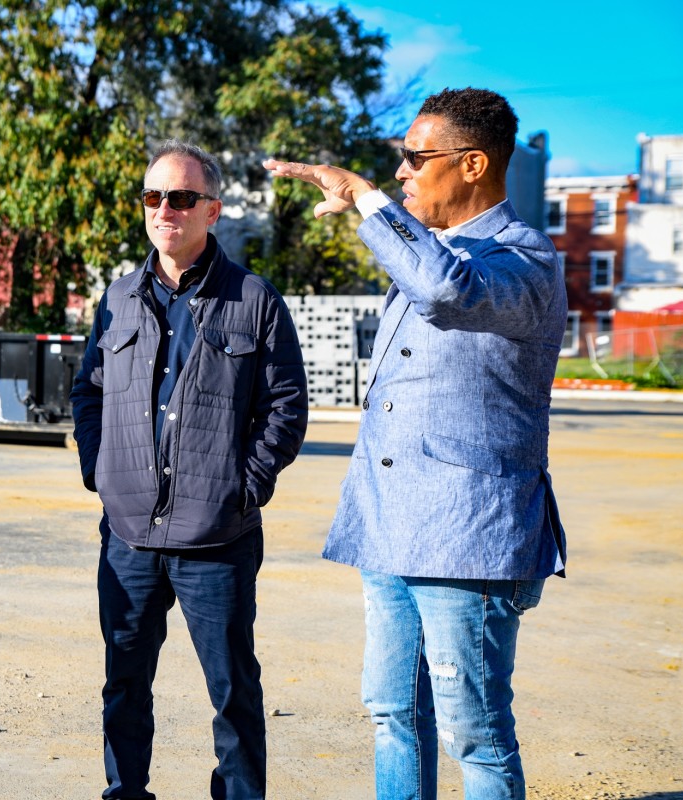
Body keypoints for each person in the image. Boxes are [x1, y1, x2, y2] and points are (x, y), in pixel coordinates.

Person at [265, 87, 567, 800]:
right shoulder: (435, 251)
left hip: (467, 536)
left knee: (475, 732)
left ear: (472, 164)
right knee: (393, 713)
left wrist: (367, 199)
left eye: (414, 158)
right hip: (391, 524)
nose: (401, 171)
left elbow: (444, 292)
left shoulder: (523, 259)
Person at [71, 139, 308, 800]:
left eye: (180, 198)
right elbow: (88, 390)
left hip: (218, 537)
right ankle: (126, 792)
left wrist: (245, 488)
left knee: (232, 688)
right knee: (124, 682)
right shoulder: (118, 298)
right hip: (128, 535)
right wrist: (101, 470)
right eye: (154, 197)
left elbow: (286, 407)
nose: (164, 210)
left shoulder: (255, 300)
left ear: (212, 210)